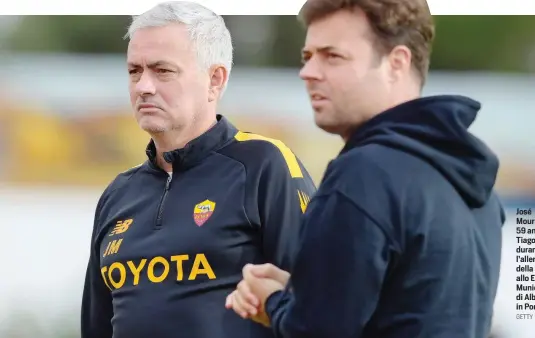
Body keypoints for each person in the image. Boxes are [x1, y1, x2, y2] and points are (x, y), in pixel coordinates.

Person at [226, 0, 506, 337]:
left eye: (332, 56)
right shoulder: (471, 181)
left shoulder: (364, 175)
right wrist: (303, 297)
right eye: (307, 56)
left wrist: (273, 303)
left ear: (396, 63)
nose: (308, 72)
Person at [80, 2, 316, 338]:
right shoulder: (118, 193)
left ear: (215, 80)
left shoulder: (265, 165)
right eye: (134, 71)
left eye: (163, 71)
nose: (143, 86)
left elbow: (322, 304)